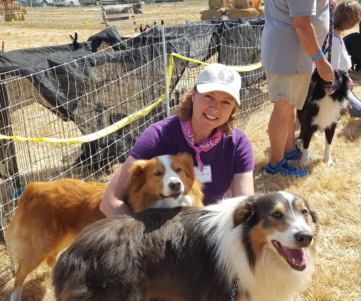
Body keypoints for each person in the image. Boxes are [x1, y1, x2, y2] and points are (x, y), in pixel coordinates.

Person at [100, 63, 255, 217]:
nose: (214, 107)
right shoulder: (158, 135)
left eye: (226, 102)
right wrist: (141, 238)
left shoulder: (238, 144)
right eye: (209, 96)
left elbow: (245, 208)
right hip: (159, 227)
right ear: (193, 94)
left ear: (233, 108)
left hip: (210, 223)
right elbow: (110, 201)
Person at [261, 0, 336, 178]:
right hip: (291, 55)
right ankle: (276, 164)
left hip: (289, 53)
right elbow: (302, 25)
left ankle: (288, 150)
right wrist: (321, 62)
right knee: (283, 108)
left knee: (290, 105)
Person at [330, 0, 361, 117]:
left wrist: (347, 77)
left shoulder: (338, 37)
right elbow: (330, 75)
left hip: (341, 87)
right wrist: (342, 99)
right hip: (333, 92)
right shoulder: (334, 41)